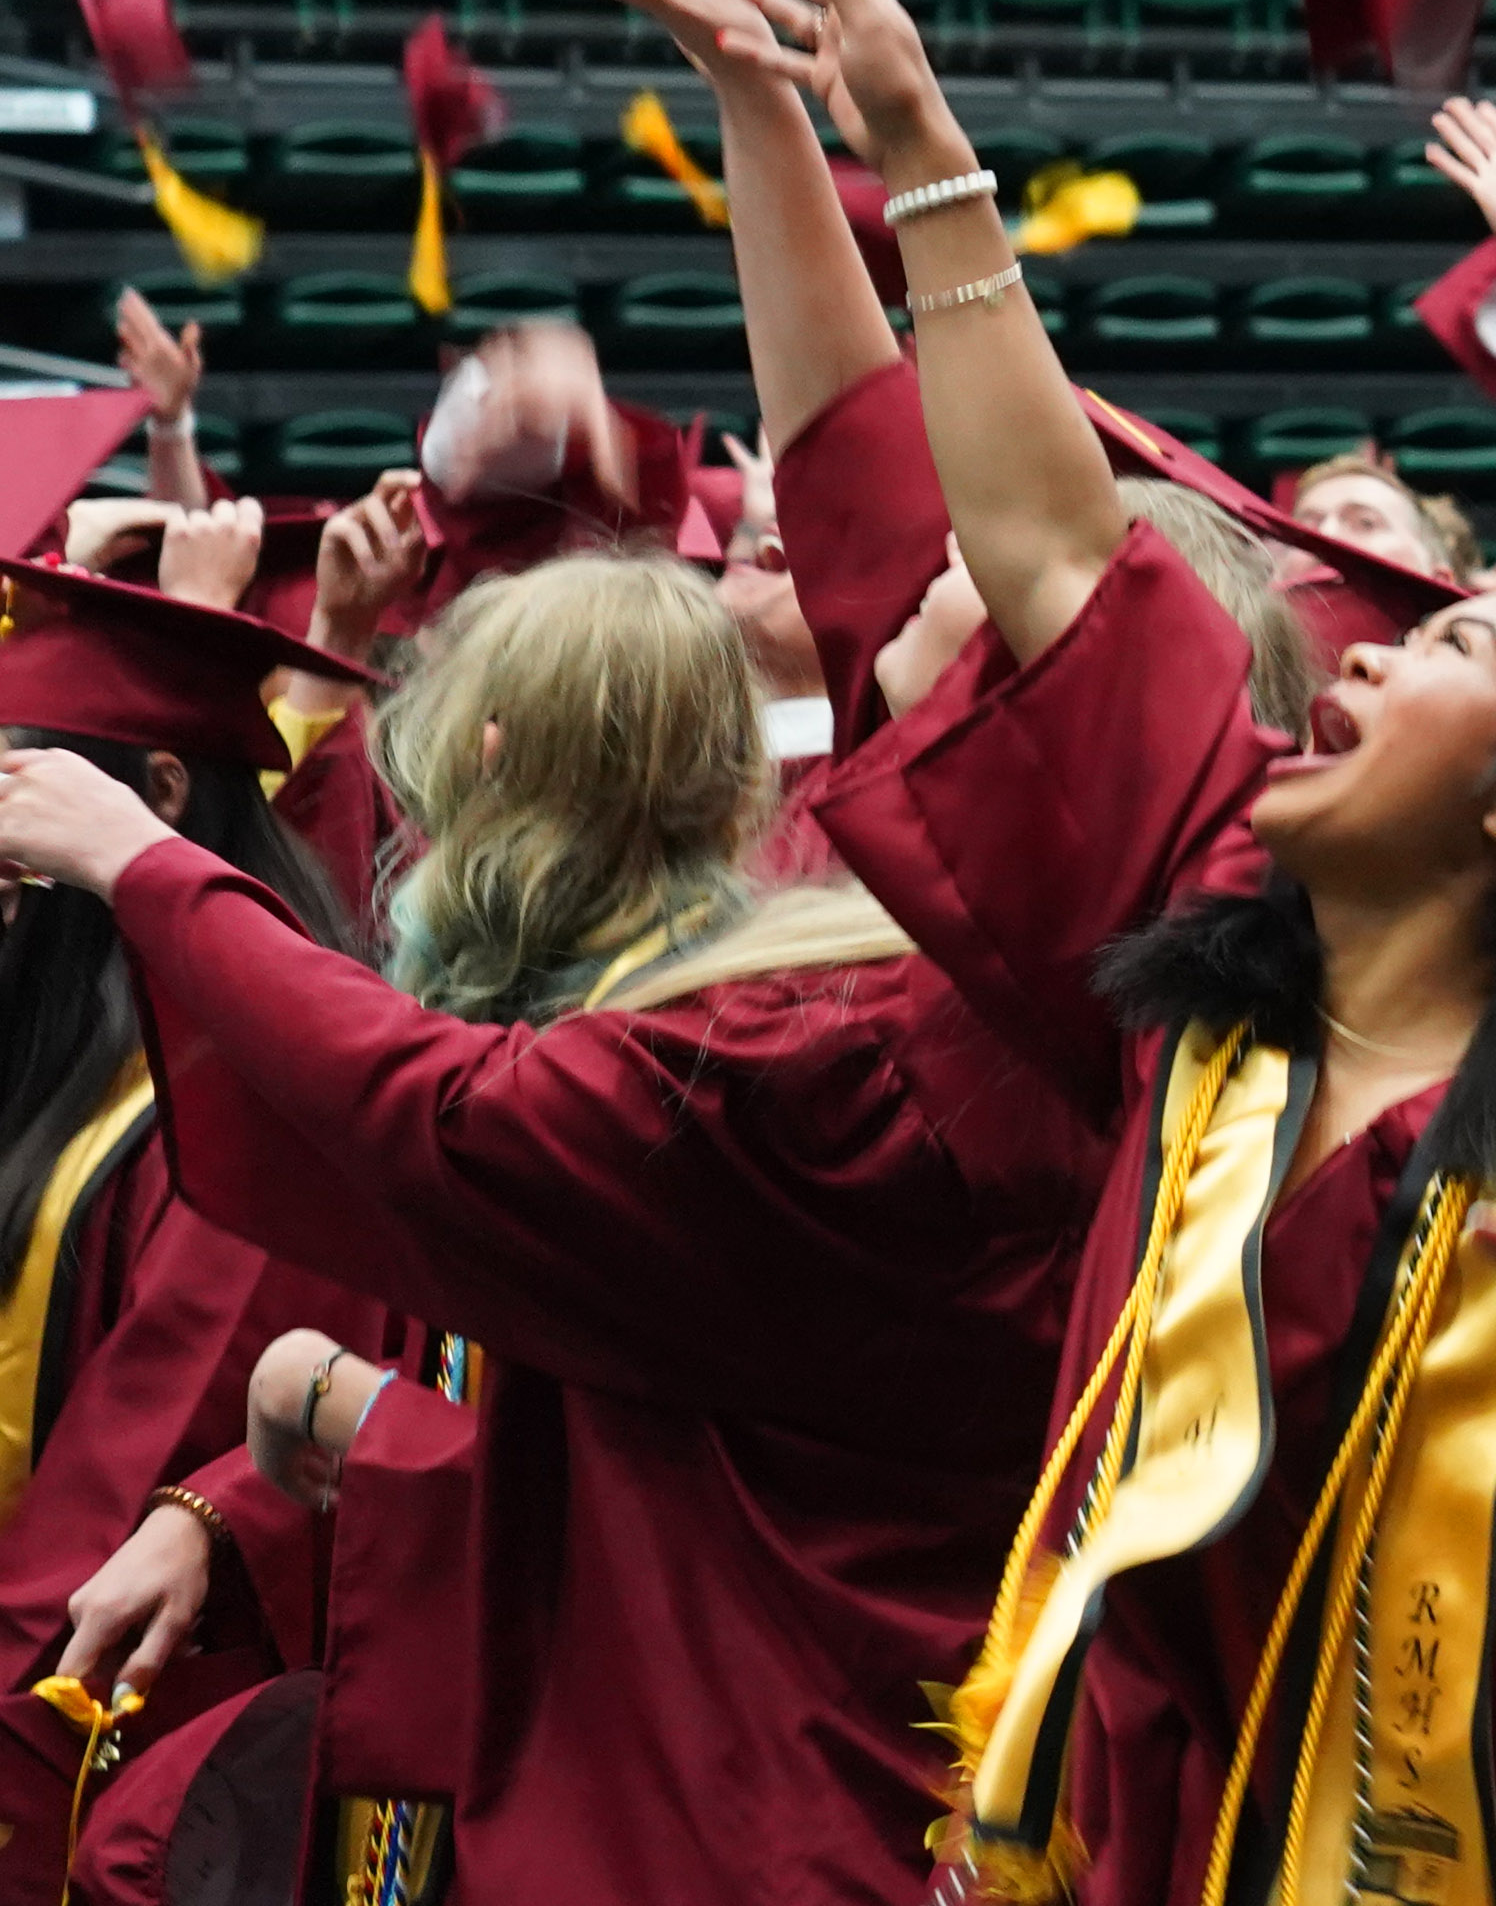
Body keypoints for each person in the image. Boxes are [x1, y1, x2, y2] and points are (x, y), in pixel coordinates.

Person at [672, 0, 1496, 1904]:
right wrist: (881, 138)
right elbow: (1037, 546)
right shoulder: (1215, 994)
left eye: (1444, 650)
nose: (1351, 652)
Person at [0, 510, 1112, 1906]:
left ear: (489, 759)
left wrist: (323, 1411)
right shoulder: (654, 1002)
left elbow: (593, 1425)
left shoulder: (734, 1055)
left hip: (734, 1768)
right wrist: (230, 1504)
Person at [0, 551, 400, 1903]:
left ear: (157, 799)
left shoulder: (249, 1095)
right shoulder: (58, 1050)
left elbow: (135, 1464)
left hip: (124, 1731)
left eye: (20, 780)